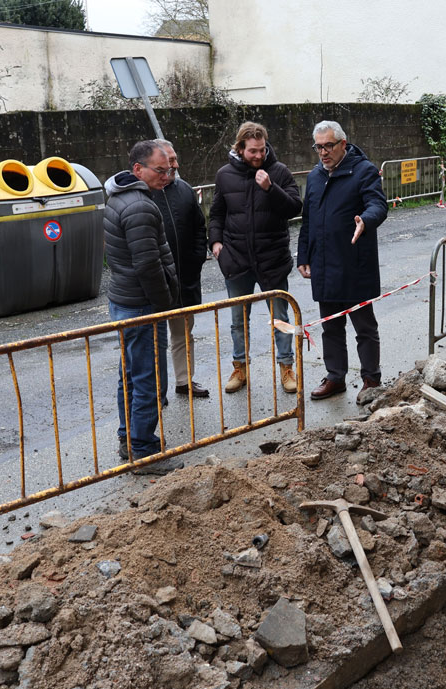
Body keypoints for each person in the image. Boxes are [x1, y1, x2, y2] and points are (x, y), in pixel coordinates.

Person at [103, 140, 182, 475]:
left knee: (131, 375)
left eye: (170, 170)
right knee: (148, 379)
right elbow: (148, 265)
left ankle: (129, 439)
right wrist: (164, 303)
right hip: (141, 304)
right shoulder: (139, 206)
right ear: (138, 169)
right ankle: (144, 451)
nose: (167, 176)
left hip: (125, 301)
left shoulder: (119, 196)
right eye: (160, 170)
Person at [296, 120, 387, 402]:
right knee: (331, 327)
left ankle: (371, 379)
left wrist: (365, 220)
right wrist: (303, 255)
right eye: (318, 147)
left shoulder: (364, 171)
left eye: (329, 146)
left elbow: (378, 204)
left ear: (343, 144)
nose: (323, 152)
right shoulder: (315, 176)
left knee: (364, 327)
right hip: (324, 265)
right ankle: (335, 377)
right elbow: (308, 220)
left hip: (355, 265)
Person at [208, 122, 303, 394]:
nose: (259, 155)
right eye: (252, 151)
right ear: (240, 149)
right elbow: (217, 213)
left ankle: (287, 368)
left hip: (272, 259)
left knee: (280, 318)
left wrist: (270, 188)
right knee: (238, 321)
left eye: (262, 150)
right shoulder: (225, 175)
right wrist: (216, 243)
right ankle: (240, 368)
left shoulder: (279, 171)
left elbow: (295, 208)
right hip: (236, 259)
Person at [150, 139, 210, 401]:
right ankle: (155, 390)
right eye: (169, 160)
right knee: (153, 338)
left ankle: (184, 381)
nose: (175, 164)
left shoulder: (184, 189)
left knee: (183, 333)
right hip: (154, 279)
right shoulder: (144, 193)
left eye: (175, 158)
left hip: (185, 277)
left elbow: (199, 226)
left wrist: (197, 259)